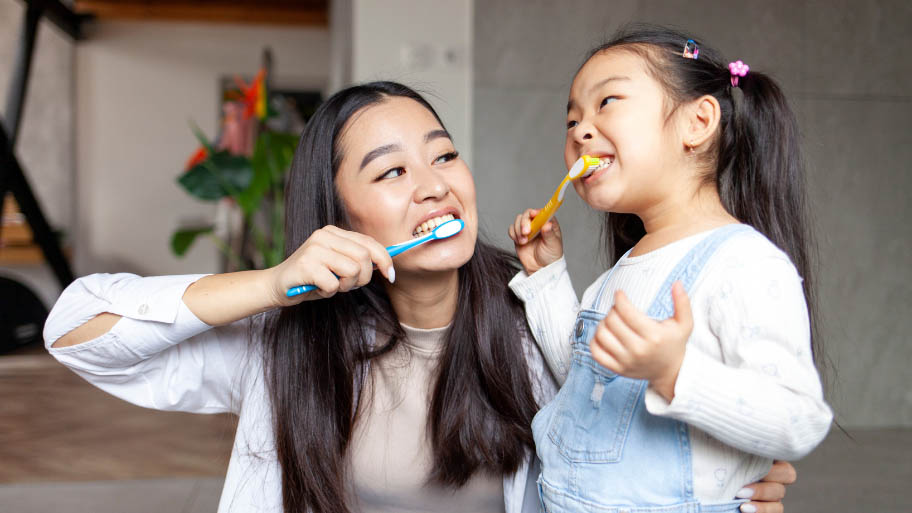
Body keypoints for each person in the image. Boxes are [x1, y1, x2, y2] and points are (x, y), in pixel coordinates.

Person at [45, 81, 795, 513]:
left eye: (443, 154)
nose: (436, 183)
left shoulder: (536, 309)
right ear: (338, 217)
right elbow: (77, 330)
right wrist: (273, 284)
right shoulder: (284, 340)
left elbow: (633, 439)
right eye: (391, 172)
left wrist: (731, 478)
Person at [508, 26, 831, 513]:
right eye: (570, 120)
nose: (579, 131)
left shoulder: (743, 263)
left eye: (607, 102)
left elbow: (800, 417)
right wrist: (546, 278)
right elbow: (583, 383)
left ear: (697, 122)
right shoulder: (625, 268)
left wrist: (677, 372)